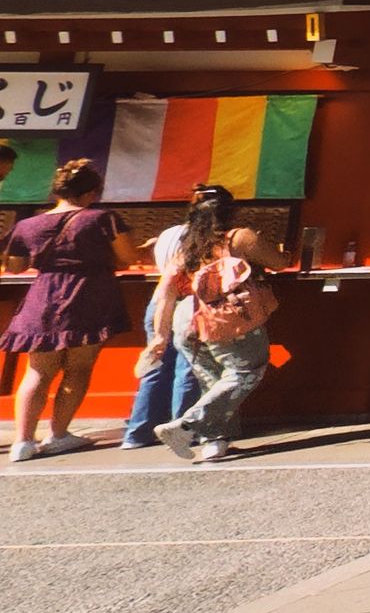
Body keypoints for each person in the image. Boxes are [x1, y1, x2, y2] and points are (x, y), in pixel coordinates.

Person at [6, 160, 133, 459]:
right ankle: (58, 434)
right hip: (89, 295)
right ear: (91, 192)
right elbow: (126, 257)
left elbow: (15, 267)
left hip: (43, 298)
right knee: (78, 367)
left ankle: (23, 441)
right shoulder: (102, 219)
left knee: (37, 371)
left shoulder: (27, 225)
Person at [156, 212, 282, 463]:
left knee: (214, 381)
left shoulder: (189, 246)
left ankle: (215, 444)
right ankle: (185, 426)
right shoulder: (239, 238)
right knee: (245, 372)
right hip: (227, 318)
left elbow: (166, 290)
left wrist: (160, 336)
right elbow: (278, 263)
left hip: (187, 317)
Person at [123, 181, 231, 448]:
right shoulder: (210, 240)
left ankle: (137, 433)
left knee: (155, 367)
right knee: (189, 369)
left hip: (158, 302)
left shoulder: (168, 234)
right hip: (190, 305)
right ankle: (184, 430)